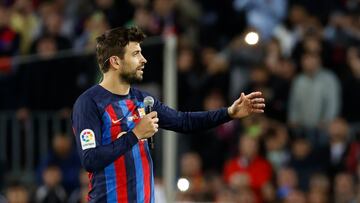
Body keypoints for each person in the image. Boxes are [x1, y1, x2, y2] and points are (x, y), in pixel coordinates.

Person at [71, 26, 265, 202]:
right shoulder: (89, 103)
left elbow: (184, 122)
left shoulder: (143, 100)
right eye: (136, 54)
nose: (143, 59)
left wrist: (229, 113)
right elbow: (90, 159)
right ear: (115, 61)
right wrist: (135, 135)